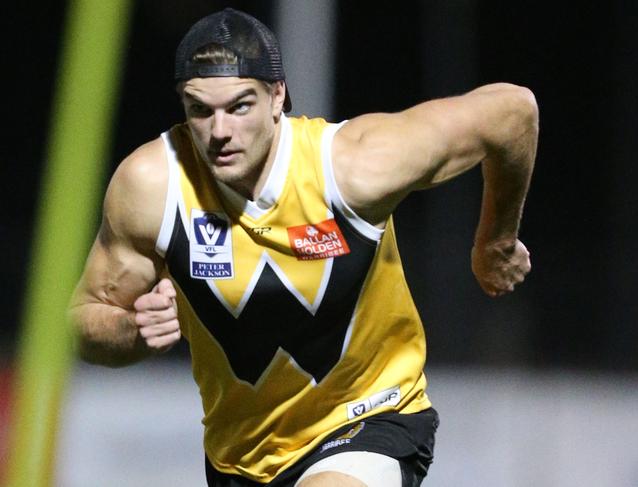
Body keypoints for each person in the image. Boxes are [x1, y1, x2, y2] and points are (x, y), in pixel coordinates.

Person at [69, 7, 538, 487]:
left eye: (239, 106)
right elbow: (83, 323)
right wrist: (132, 329)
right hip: (240, 457)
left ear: (277, 96)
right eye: (200, 111)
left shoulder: (354, 166)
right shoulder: (153, 186)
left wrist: (495, 240)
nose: (220, 131)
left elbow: (512, 111)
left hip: (369, 416)